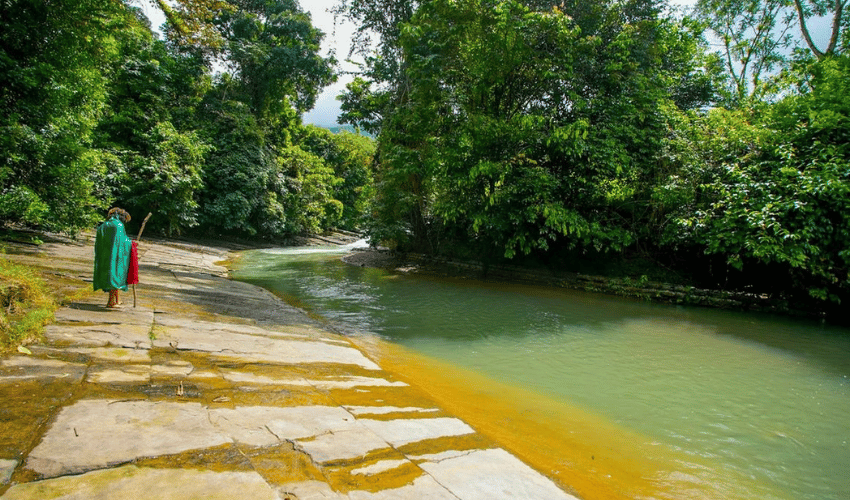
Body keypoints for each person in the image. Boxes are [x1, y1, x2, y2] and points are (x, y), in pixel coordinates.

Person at [93, 207, 133, 308]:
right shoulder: (118, 226)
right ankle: (111, 301)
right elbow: (122, 242)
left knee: (111, 276)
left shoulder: (103, 226)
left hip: (105, 255)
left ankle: (117, 299)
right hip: (116, 256)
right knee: (116, 276)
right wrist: (132, 244)